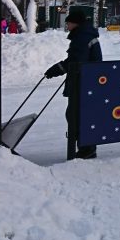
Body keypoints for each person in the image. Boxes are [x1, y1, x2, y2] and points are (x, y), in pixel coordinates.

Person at [44, 9, 102, 160]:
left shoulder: (81, 37)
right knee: (79, 115)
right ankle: (87, 148)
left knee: (75, 115)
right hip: (88, 81)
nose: (67, 26)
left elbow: (75, 61)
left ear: (75, 23)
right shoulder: (86, 34)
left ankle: (86, 149)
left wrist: (57, 69)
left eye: (68, 23)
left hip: (83, 83)